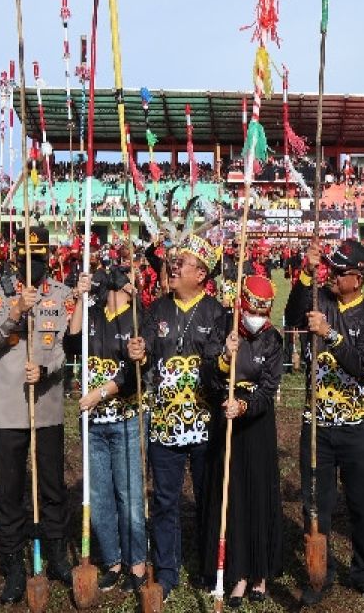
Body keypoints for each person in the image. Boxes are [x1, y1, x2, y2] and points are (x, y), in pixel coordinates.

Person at [127, 234, 229, 599]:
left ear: (200, 274)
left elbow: (220, 371)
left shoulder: (218, 313)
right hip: (165, 427)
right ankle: (167, 573)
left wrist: (224, 361)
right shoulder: (156, 310)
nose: (172, 266)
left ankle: (207, 569)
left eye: (181, 263)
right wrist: (139, 352)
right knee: (165, 501)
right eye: (173, 261)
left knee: (208, 499)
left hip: (206, 427)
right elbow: (150, 348)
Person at [286, 239, 364, 606]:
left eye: (339, 271)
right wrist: (303, 276)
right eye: (330, 268)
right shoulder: (319, 301)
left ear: (357, 279)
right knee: (317, 503)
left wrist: (329, 333)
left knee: (360, 502)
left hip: (357, 425)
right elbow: (291, 315)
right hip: (318, 426)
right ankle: (320, 572)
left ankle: (363, 570)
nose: (331, 275)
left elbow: (359, 365)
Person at [0, 226, 77, 603]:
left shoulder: (61, 294)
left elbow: (69, 343)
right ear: (15, 256)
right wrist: (14, 310)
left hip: (47, 405)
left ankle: (55, 552)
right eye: (26, 256)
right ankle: (12, 564)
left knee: (52, 486)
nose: (32, 263)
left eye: (40, 256)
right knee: (9, 491)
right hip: (8, 408)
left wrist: (49, 369)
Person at [200, 275, 284, 606]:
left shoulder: (273, 339)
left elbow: (268, 387)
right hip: (226, 421)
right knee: (231, 495)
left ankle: (260, 574)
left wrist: (245, 405)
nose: (257, 319)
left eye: (263, 313)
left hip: (257, 424)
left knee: (259, 493)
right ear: (241, 305)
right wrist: (223, 358)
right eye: (253, 311)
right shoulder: (224, 329)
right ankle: (237, 573)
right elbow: (207, 378)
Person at [64, 261, 147, 592]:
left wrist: (99, 394)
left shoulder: (138, 316)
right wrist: (81, 301)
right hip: (94, 423)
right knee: (98, 495)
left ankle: (137, 563)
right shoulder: (94, 312)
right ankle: (112, 561)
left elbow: (135, 377)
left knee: (129, 494)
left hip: (126, 418)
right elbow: (72, 344)